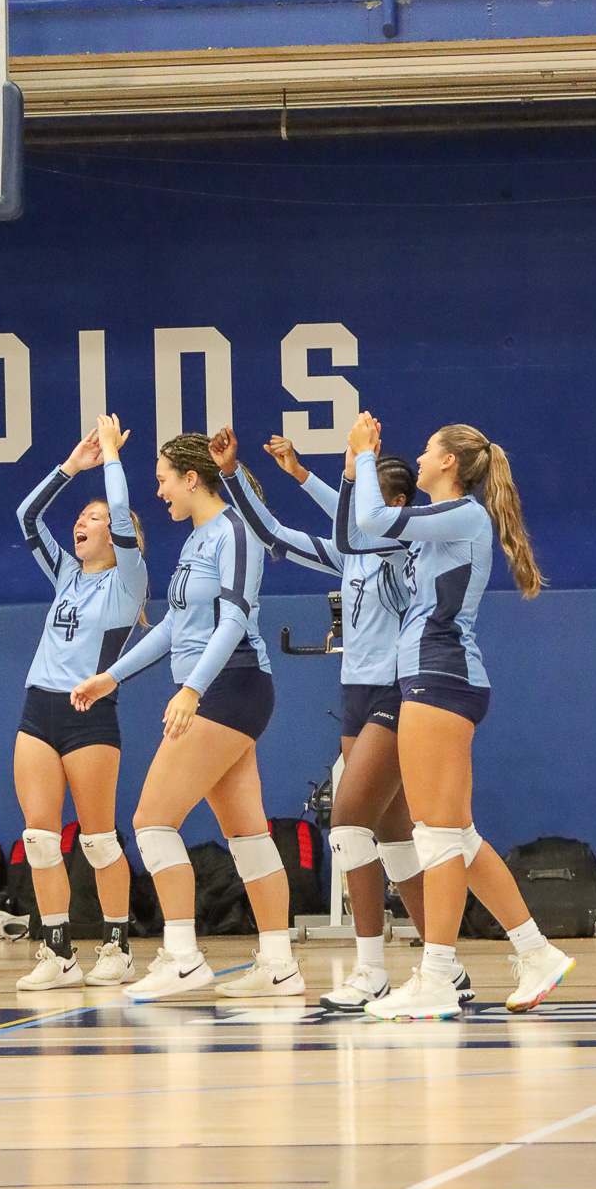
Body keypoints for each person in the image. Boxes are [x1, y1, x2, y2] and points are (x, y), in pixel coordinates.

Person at [216, 427, 465, 1012]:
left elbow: (353, 523)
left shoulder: (405, 548)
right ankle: (444, 967)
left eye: (373, 499)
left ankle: (373, 970)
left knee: (349, 824)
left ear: (395, 507)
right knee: (393, 836)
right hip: (357, 696)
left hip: (399, 691)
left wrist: (333, 475)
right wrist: (235, 476)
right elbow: (276, 535)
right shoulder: (351, 553)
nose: (360, 511)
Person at [346, 413, 573, 1019]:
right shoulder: (440, 523)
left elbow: (372, 519)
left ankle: (439, 974)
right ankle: (534, 951)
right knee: (456, 836)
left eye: (425, 451)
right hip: (438, 678)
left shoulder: (464, 514)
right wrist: (343, 474)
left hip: (441, 677)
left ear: (448, 462)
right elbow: (360, 535)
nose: (416, 458)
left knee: (435, 834)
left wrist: (366, 456)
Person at [72, 432, 301, 1001]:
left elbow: (231, 623)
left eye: (163, 478)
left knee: (152, 821)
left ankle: (182, 957)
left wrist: (193, 690)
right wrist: (112, 675)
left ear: (192, 478)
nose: (159, 490)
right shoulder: (195, 540)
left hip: (232, 684)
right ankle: (279, 966)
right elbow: (175, 627)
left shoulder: (234, 533)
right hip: (213, 686)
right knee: (247, 833)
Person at [13, 415, 149, 990]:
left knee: (97, 839)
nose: (83, 522)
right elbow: (26, 517)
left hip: (88, 717)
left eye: (94, 518)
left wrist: (113, 457)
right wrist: (72, 466)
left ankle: (117, 944)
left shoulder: (128, 582)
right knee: (40, 838)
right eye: (82, 516)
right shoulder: (66, 571)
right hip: (37, 711)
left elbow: (120, 517)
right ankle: (57, 951)